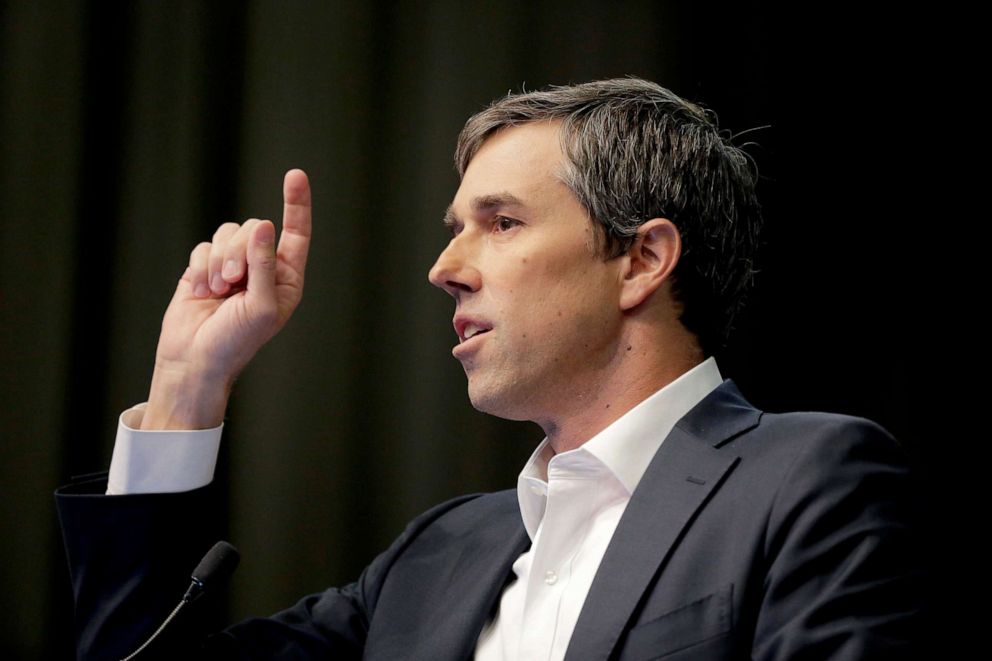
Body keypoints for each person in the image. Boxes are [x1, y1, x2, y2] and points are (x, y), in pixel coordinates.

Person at [56, 78, 927, 659]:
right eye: (454, 226)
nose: (445, 266)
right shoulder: (434, 556)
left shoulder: (806, 482)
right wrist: (185, 385)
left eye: (501, 222)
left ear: (641, 260)